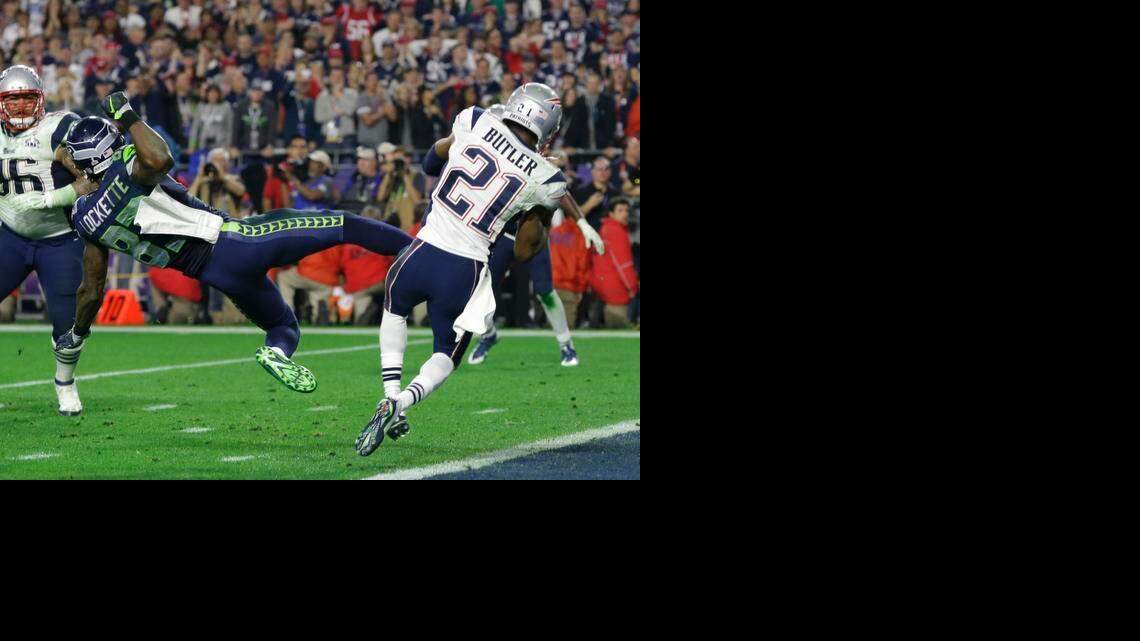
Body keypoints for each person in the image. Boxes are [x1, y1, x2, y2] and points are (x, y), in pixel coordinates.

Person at [56, 93, 412, 399]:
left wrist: (79, 332)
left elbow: (91, 290)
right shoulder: (129, 167)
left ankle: (277, 354)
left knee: (283, 328)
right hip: (234, 241)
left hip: (217, 274)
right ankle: (421, 253)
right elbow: (160, 158)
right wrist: (126, 114)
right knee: (344, 224)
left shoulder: (87, 217)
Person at [355, 83, 593, 457]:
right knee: (446, 355)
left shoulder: (475, 119)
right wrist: (537, 214)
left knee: (395, 308)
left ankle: (388, 393)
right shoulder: (546, 177)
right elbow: (524, 249)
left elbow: (431, 163)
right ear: (548, 127)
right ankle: (400, 404)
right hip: (463, 269)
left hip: (419, 250)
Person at [464, 104, 604, 367]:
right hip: (501, 234)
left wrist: (583, 223)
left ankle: (566, 345)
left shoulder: (529, 156)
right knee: (479, 290)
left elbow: (558, 189)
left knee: (545, 290)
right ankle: (489, 335)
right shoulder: (492, 154)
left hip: (530, 233)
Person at [0, 65, 89, 416]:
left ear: (40, 99)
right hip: (10, 235)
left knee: (68, 327)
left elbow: (92, 179)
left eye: (26, 98)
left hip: (60, 240)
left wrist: (55, 197)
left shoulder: (61, 127)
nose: (20, 106)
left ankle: (65, 382)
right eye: (12, 99)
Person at [589, 199, 637, 328]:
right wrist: (632, 287)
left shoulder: (605, 228)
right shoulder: (616, 231)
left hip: (601, 284)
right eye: (620, 210)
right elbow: (623, 264)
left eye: (627, 210)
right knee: (620, 330)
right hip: (616, 288)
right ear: (611, 213)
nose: (625, 214)